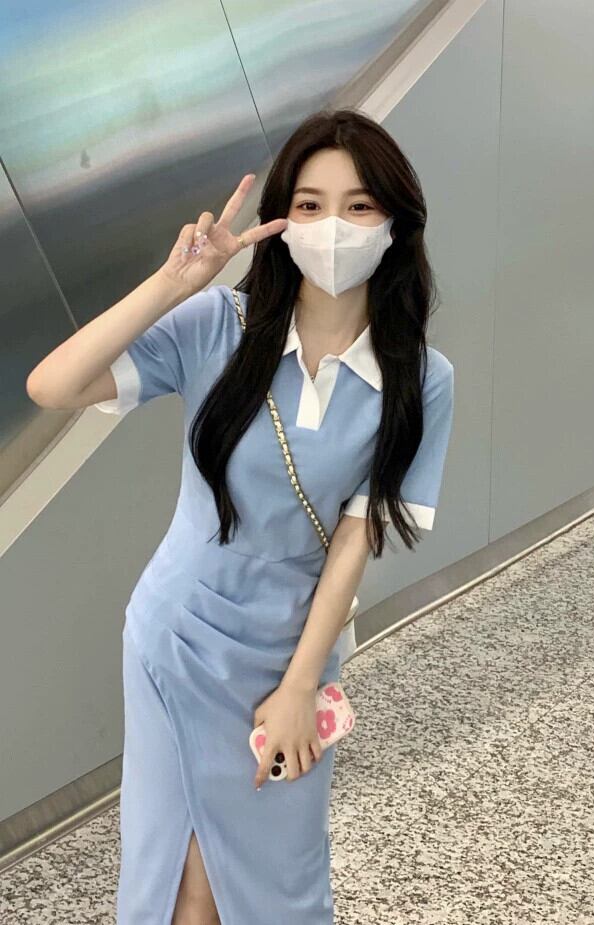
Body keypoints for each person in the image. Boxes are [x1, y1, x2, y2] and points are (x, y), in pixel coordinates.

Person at [25, 107, 455, 924]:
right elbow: (53, 385)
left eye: (359, 205)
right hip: (178, 636)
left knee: (275, 881)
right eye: (310, 204)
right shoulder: (218, 327)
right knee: (184, 882)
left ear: (396, 222)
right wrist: (172, 285)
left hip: (292, 651)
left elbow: (356, 537)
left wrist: (301, 684)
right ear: (280, 221)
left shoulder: (423, 378)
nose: (334, 227)